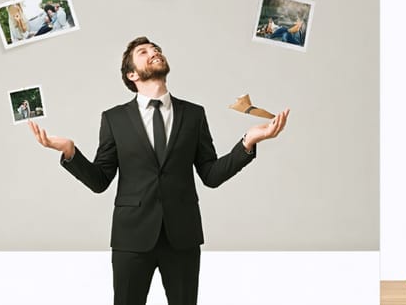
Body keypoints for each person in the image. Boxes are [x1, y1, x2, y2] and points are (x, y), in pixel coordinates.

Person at [28, 36, 290, 305]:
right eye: (143, 52)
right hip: (131, 237)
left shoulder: (194, 114)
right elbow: (100, 181)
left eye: (156, 49)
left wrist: (248, 142)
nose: (154, 52)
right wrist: (70, 152)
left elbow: (211, 175)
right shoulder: (113, 118)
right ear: (132, 74)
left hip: (183, 236)